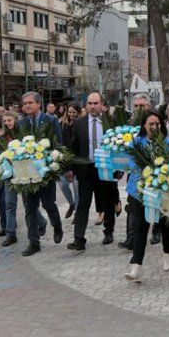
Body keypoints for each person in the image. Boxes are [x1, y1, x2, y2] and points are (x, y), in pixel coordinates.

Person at [124, 110, 169, 282]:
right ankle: (136, 266)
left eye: (157, 124)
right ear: (144, 126)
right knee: (140, 226)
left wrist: (162, 178)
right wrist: (149, 177)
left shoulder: (168, 143)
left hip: (163, 190)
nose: (154, 127)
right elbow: (133, 164)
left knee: (165, 224)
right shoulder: (136, 143)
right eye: (151, 124)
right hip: (140, 191)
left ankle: (167, 253)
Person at [66, 92, 120, 251]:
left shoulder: (110, 122)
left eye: (95, 103)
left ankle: (108, 232)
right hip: (85, 169)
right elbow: (73, 147)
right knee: (83, 204)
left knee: (108, 201)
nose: (92, 106)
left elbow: (119, 146)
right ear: (86, 105)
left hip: (105, 168)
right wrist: (69, 168)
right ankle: (79, 239)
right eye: (89, 103)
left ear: (102, 104)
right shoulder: (79, 123)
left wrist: (118, 168)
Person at [17, 92, 64, 256]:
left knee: (48, 203)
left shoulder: (50, 120)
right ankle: (33, 242)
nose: (27, 106)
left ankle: (56, 225)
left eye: (30, 103)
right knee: (29, 207)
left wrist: (56, 162)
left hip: (45, 170)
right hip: (26, 170)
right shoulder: (21, 123)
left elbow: (58, 142)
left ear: (38, 104)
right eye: (24, 104)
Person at [0, 110, 46, 247]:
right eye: (5, 121)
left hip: (23, 172)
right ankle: (10, 234)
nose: (7, 123)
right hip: (9, 172)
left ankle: (41, 222)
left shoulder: (23, 133)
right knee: (9, 203)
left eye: (9, 120)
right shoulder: (3, 137)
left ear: (15, 120)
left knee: (27, 203)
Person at [119, 93, 152, 250]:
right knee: (131, 204)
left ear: (148, 107)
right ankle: (130, 237)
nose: (139, 109)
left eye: (142, 106)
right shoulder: (128, 125)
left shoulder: (155, 123)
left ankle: (157, 231)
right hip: (133, 172)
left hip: (152, 172)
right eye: (136, 106)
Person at [59, 102, 81, 219]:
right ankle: (72, 204)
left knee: (77, 188)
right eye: (70, 112)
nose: (72, 114)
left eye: (74, 112)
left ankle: (77, 212)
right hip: (65, 160)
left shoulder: (81, 124)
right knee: (63, 184)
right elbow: (61, 143)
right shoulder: (62, 124)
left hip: (77, 161)